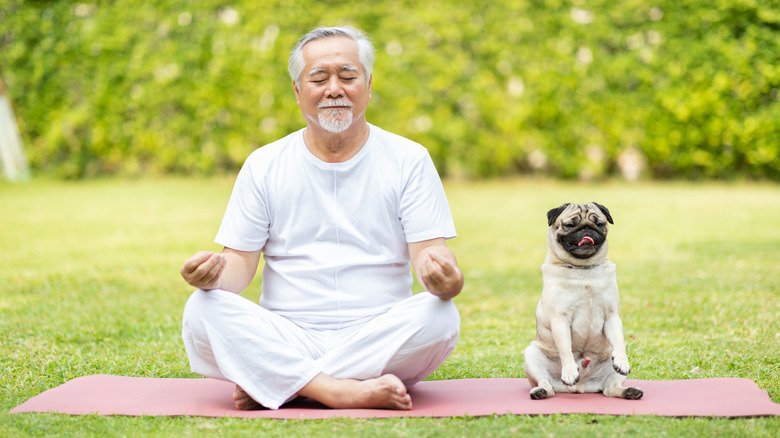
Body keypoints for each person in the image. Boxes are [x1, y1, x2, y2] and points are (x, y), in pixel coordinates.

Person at [180, 26, 464, 411]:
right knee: (202, 307)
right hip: (288, 334)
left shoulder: (408, 159)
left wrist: (446, 279)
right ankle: (338, 389)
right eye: (319, 78)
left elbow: (431, 253)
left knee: (440, 315)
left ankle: (286, 382)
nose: (334, 89)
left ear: (368, 85)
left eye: (348, 76)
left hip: (377, 333)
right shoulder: (264, 164)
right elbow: (239, 263)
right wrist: (214, 275)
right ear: (298, 91)